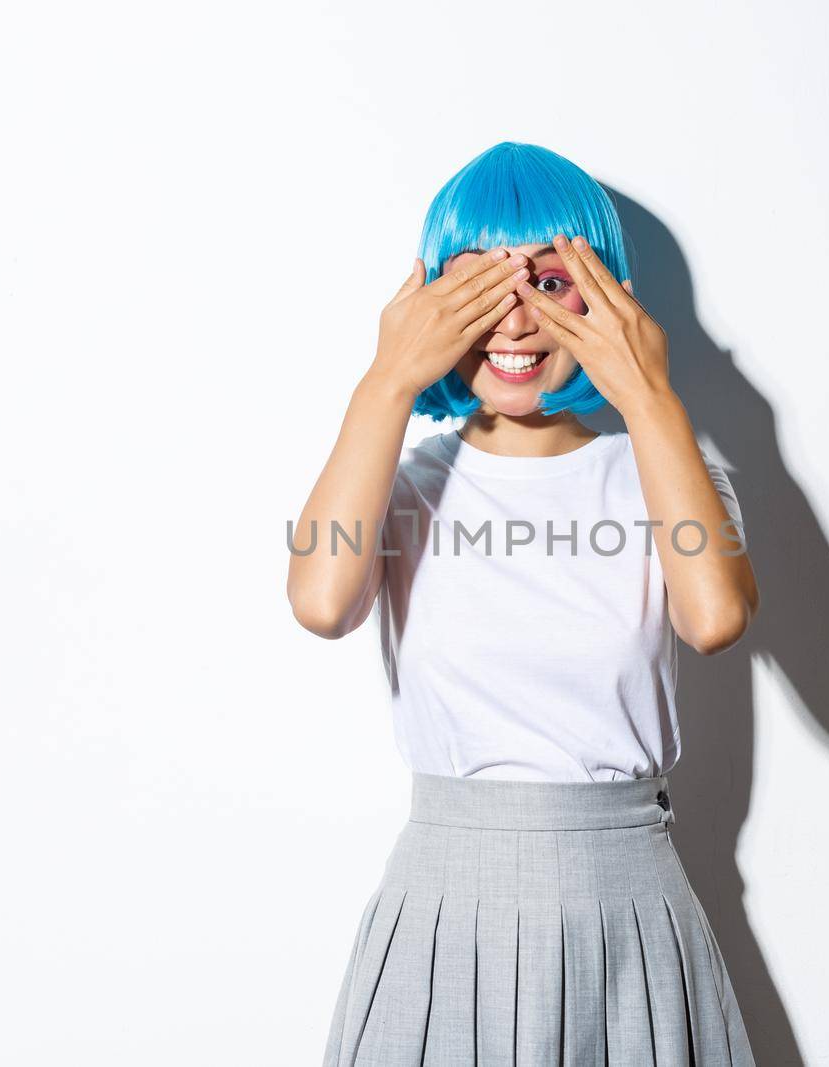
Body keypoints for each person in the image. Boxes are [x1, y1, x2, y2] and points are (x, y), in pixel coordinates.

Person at [288, 141, 760, 1065]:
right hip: (440, 907)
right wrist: (388, 378)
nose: (515, 318)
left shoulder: (665, 475)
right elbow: (319, 598)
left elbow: (715, 617)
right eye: (477, 285)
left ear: (607, 293)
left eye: (551, 281)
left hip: (627, 904)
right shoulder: (400, 483)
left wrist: (650, 392)